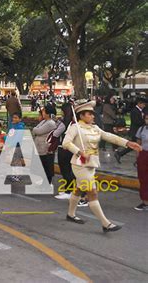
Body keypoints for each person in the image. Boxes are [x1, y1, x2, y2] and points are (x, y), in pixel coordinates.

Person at [62, 100, 142, 232]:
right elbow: (66, 143)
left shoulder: (95, 128)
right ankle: (105, 223)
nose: (93, 116)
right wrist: (80, 152)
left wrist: (128, 143)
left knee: (77, 189)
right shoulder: (75, 127)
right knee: (92, 192)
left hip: (91, 164)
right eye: (89, 114)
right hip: (80, 164)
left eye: (93, 114)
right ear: (81, 115)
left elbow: (109, 136)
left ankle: (70, 214)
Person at [115, 98, 146, 163]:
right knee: (137, 146)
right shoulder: (135, 111)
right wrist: (145, 121)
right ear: (139, 103)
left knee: (134, 146)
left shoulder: (140, 111)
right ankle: (138, 160)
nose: (144, 106)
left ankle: (120, 154)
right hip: (135, 132)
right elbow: (137, 121)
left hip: (138, 131)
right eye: (143, 104)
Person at [32, 105, 57, 185]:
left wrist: (35, 130)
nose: (42, 113)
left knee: (46, 166)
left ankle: (47, 183)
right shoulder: (44, 121)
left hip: (45, 147)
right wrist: (35, 129)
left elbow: (37, 131)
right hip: (40, 147)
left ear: (48, 113)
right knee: (42, 165)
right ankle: (44, 181)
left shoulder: (50, 123)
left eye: (43, 111)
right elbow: (36, 129)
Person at [134, 113, 148, 211]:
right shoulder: (142, 129)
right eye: (147, 118)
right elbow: (138, 145)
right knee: (143, 179)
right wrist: (137, 157)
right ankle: (145, 202)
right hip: (143, 155)